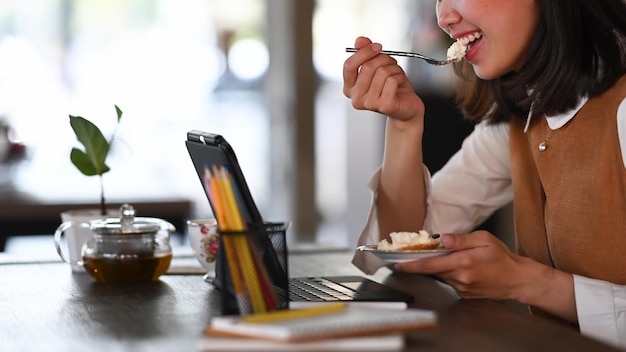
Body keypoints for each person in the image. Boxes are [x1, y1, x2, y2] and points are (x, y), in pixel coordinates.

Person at [343, 0, 626, 349]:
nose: (444, 17)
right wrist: (405, 124)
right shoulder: (520, 117)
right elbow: (405, 247)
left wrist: (526, 281)